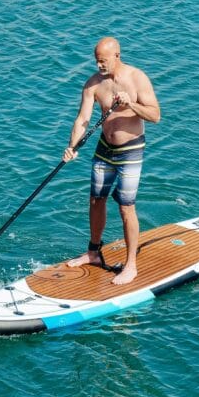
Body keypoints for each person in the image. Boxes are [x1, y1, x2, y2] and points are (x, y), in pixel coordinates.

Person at [63, 37, 161, 286]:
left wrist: (133, 104)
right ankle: (93, 252)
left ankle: (130, 266)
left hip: (131, 151)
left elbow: (156, 115)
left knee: (126, 207)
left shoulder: (137, 78)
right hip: (104, 149)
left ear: (117, 55)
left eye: (103, 61)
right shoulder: (93, 85)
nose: (99, 66)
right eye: (96, 61)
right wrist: (72, 147)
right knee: (96, 200)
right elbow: (82, 120)